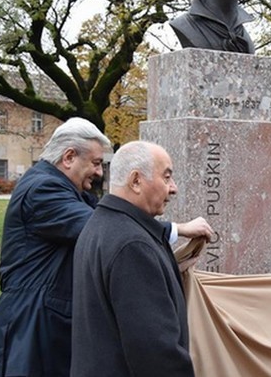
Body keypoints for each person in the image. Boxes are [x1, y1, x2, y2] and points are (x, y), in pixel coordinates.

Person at [71, 141, 214, 376]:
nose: (174, 188)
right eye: (166, 177)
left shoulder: (101, 225)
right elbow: (156, 353)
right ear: (136, 181)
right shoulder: (132, 246)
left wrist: (167, 269)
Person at [0, 118, 111, 377]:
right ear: (69, 157)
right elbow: (99, 229)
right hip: (32, 326)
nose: (99, 172)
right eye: (96, 163)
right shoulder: (44, 189)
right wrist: (172, 230)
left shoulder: (63, 187)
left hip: (42, 323)